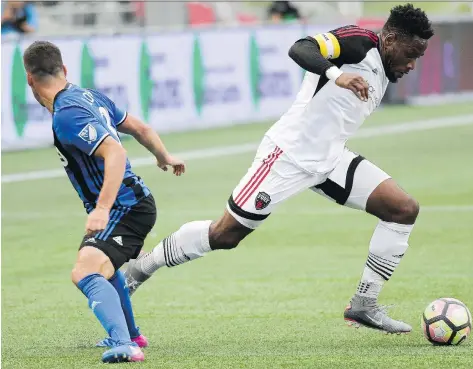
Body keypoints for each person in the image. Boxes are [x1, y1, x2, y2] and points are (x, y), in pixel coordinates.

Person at [125, 3, 434, 334]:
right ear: (388, 39)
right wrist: (337, 74)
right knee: (225, 235)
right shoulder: (359, 42)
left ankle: (364, 304)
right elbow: (301, 48)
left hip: (330, 160)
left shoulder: (384, 70)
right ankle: (141, 267)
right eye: (410, 53)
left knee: (403, 209)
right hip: (287, 156)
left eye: (418, 57)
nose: (412, 64)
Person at [23, 41, 185, 363]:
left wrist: (101, 209)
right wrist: (163, 155)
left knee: (84, 270)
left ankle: (127, 346)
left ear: (29, 79)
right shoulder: (89, 96)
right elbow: (140, 127)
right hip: (132, 201)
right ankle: (130, 335)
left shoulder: (67, 114)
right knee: (104, 268)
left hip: (125, 206)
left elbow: (115, 151)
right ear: (64, 70)